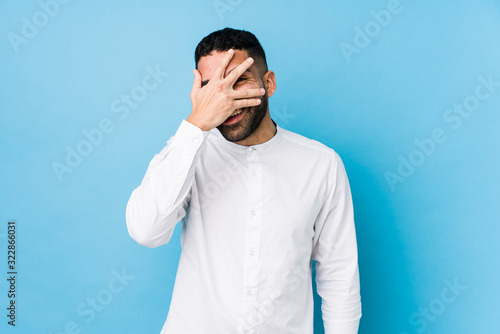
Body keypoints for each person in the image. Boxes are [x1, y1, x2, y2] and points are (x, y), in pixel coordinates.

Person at [126, 27, 362, 334]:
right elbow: (146, 231)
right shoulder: (186, 154)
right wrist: (196, 124)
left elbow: (339, 277)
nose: (226, 98)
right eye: (213, 88)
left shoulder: (321, 164)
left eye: (238, 80)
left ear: (269, 83)